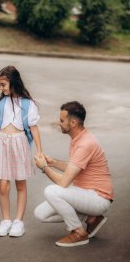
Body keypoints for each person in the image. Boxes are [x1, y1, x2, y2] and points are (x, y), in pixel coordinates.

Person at [34, 101, 114, 247]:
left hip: (98, 197)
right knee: (40, 213)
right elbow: (74, 167)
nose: (59, 123)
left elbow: (64, 182)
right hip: (84, 194)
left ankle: (78, 232)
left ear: (73, 122)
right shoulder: (78, 138)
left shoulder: (85, 143)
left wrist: (44, 167)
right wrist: (52, 162)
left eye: (62, 120)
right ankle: (91, 218)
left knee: (51, 191)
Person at [0, 65, 43, 237]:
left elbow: (34, 128)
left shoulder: (28, 104)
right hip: (2, 142)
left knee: (20, 184)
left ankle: (18, 222)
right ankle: (6, 220)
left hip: (20, 142)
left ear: (13, 82)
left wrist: (39, 150)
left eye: (3, 84)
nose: (0, 88)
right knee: (3, 185)